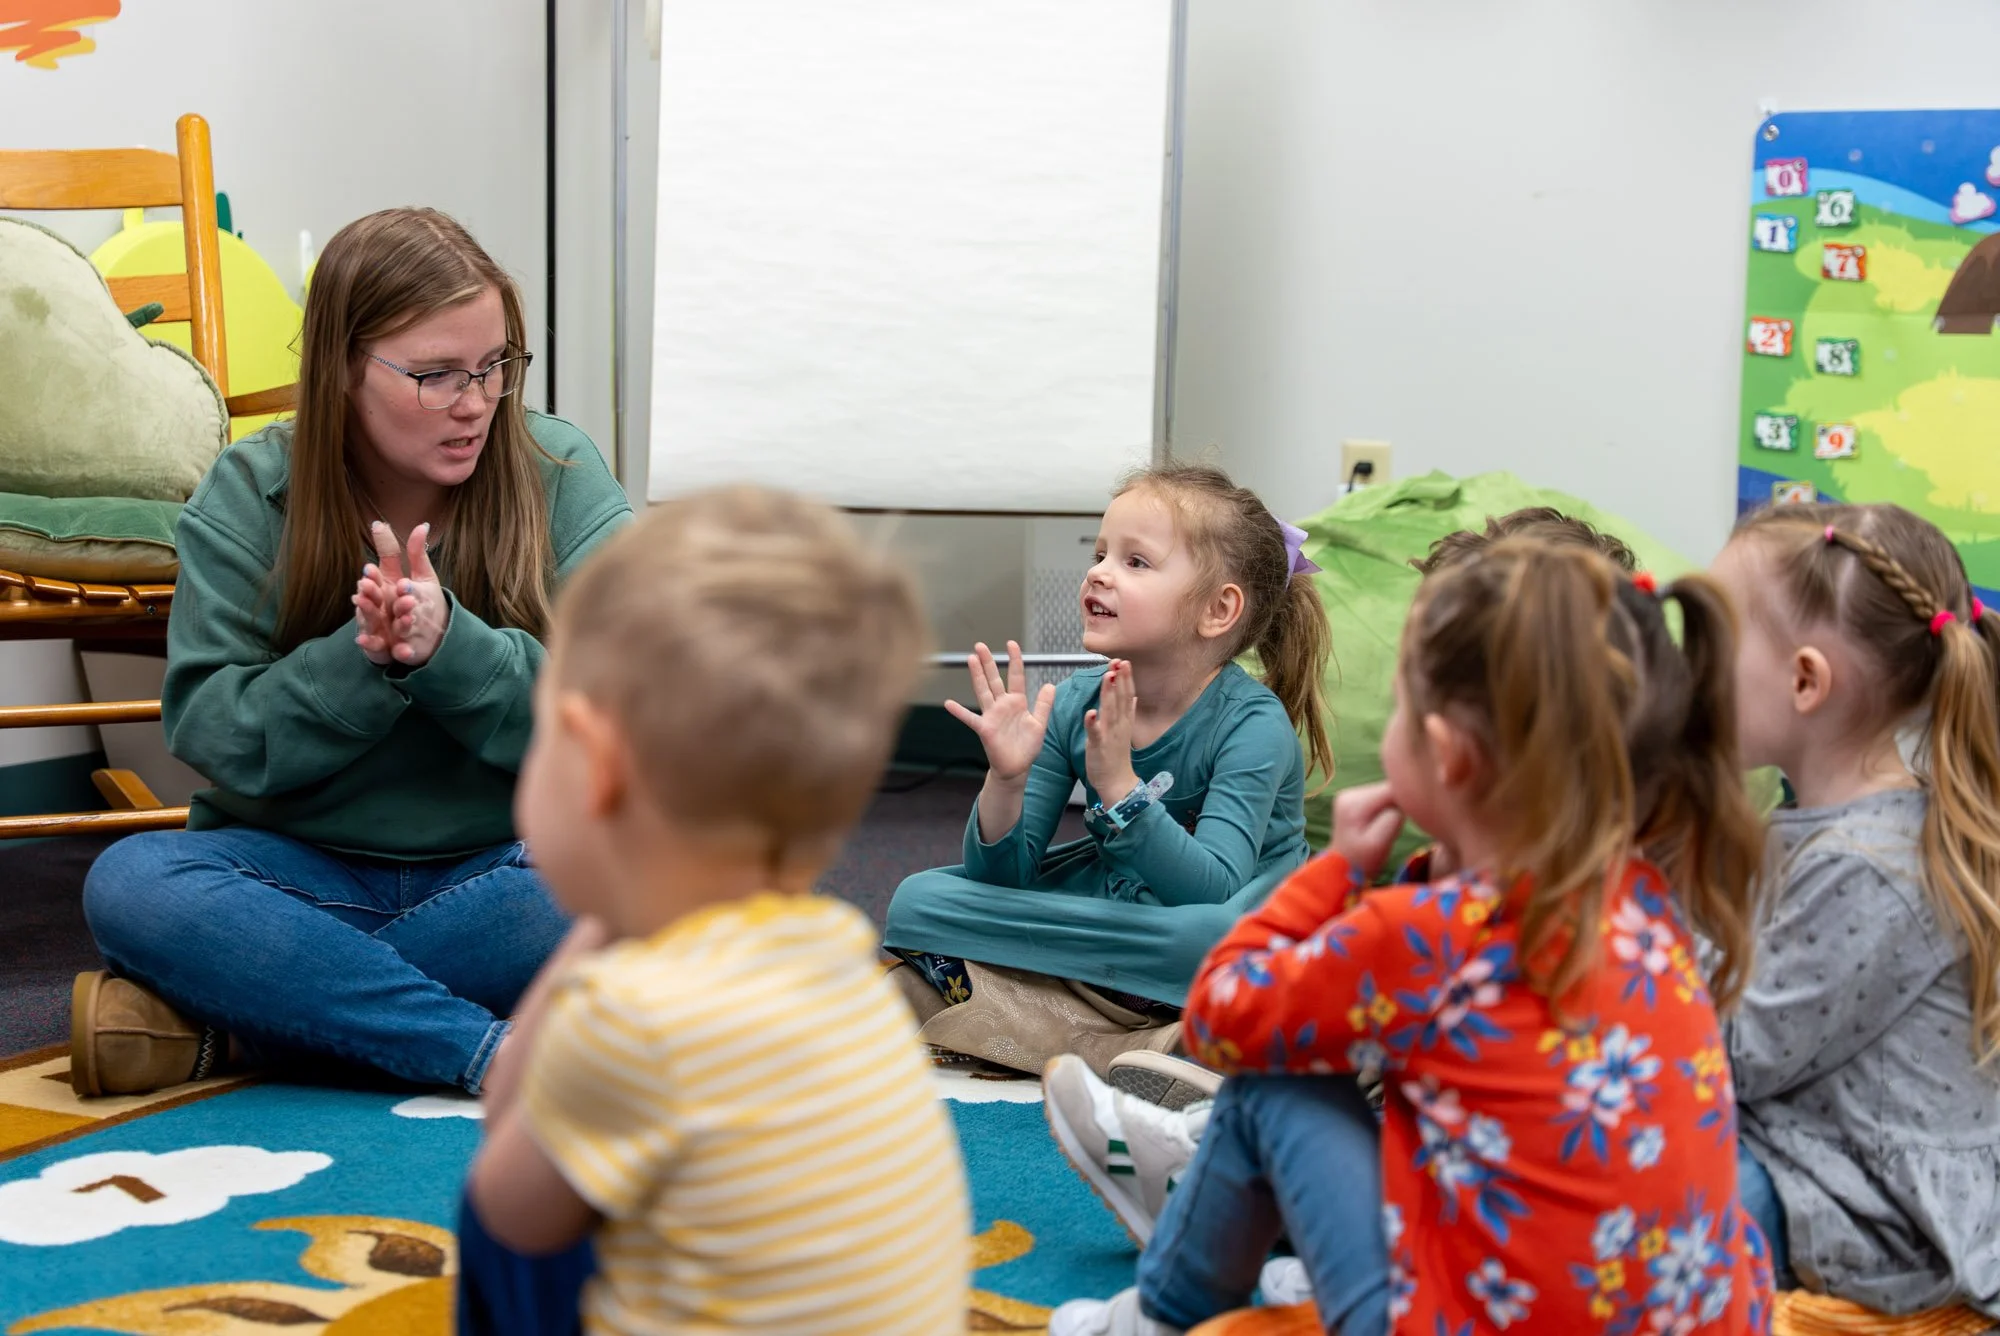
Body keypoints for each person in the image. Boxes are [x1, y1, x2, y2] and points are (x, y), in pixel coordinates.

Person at [1049, 538, 1773, 1336]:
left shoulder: (1425, 936)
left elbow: (1221, 1016)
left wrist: (1334, 874)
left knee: (1277, 1081)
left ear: (1450, 756)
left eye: (1401, 709)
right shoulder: (1649, 904)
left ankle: (1164, 1312)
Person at [68, 208, 631, 1099]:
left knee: (647, 870)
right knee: (133, 882)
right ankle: (486, 1051)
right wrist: (363, 661)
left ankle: (239, 1027)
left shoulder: (559, 472)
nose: (476, 402)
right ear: (340, 367)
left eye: (496, 365)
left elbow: (628, 723)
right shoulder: (250, 490)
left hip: (510, 865)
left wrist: (450, 650)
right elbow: (212, 732)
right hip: (297, 870)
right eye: (436, 375)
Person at [456, 486, 969, 1336]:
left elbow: (507, 1211)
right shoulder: (843, 961)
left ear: (596, 763)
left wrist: (590, 943)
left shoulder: (631, 1017)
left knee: (508, 1222)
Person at [880, 463, 1333, 1081]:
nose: (1098, 572)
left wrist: (1121, 787)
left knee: (1206, 942)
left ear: (1218, 609)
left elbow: (1212, 889)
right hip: (1117, 914)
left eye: (1135, 561)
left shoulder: (1253, 724)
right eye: (1099, 555)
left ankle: (1018, 1013)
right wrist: (1005, 780)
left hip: (1218, 920)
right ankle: (1145, 1042)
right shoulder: (1075, 700)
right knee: (919, 899)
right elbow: (1003, 876)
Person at [1708, 502, 2000, 1319]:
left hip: (1882, 1221)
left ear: (1805, 680)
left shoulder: (1869, 866)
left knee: (1665, 1184)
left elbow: (1729, 1055)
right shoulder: (1826, 829)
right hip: (1816, 1149)